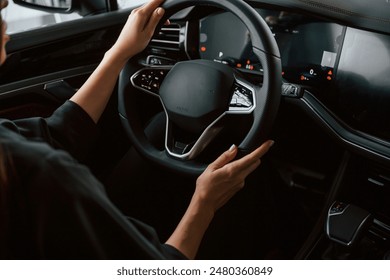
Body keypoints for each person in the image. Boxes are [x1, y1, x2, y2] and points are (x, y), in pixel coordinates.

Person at [0, 0, 274, 259]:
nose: (6, 30)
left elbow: (57, 134)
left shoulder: (15, 153)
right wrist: (205, 201)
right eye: (1, 13)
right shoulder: (42, 174)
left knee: (156, 129)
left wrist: (120, 52)